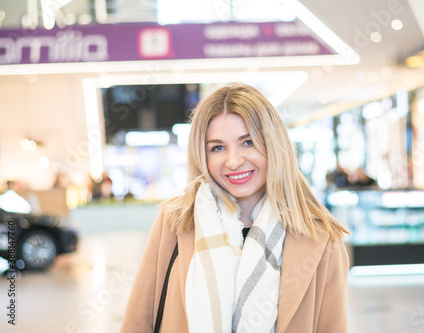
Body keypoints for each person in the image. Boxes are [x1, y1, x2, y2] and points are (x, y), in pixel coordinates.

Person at [120, 84, 350, 333]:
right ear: (202, 155)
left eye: (248, 142)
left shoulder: (320, 237)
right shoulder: (176, 221)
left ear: (273, 145)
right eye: (217, 147)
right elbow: (139, 320)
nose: (234, 161)